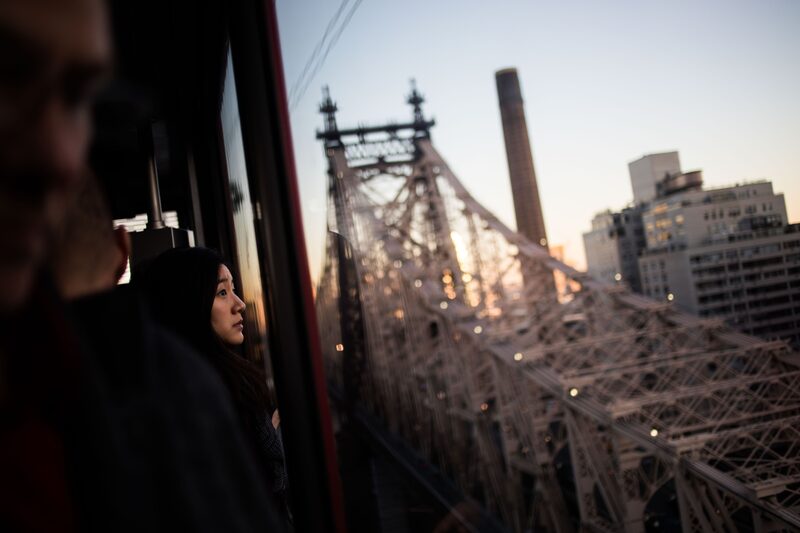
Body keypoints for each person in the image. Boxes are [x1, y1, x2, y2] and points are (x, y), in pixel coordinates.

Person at [0, 1, 285, 531]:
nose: (60, 157)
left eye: (76, 97)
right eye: (9, 77)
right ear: (121, 252)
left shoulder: (64, 386)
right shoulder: (166, 395)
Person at [140, 246, 292, 524]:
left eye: (233, 289)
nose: (240, 303)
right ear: (188, 303)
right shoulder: (200, 392)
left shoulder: (227, 377)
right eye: (222, 293)